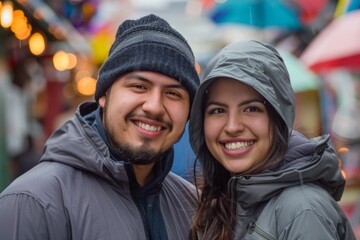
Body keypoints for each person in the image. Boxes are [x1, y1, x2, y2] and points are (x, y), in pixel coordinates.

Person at [0, 14, 200, 240]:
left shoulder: (192, 205)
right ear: (104, 95)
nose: (154, 107)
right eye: (138, 86)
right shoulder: (32, 204)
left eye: (173, 93)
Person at [189, 40, 356, 239]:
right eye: (218, 110)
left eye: (251, 109)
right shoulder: (219, 201)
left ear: (278, 118)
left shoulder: (303, 210)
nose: (232, 126)